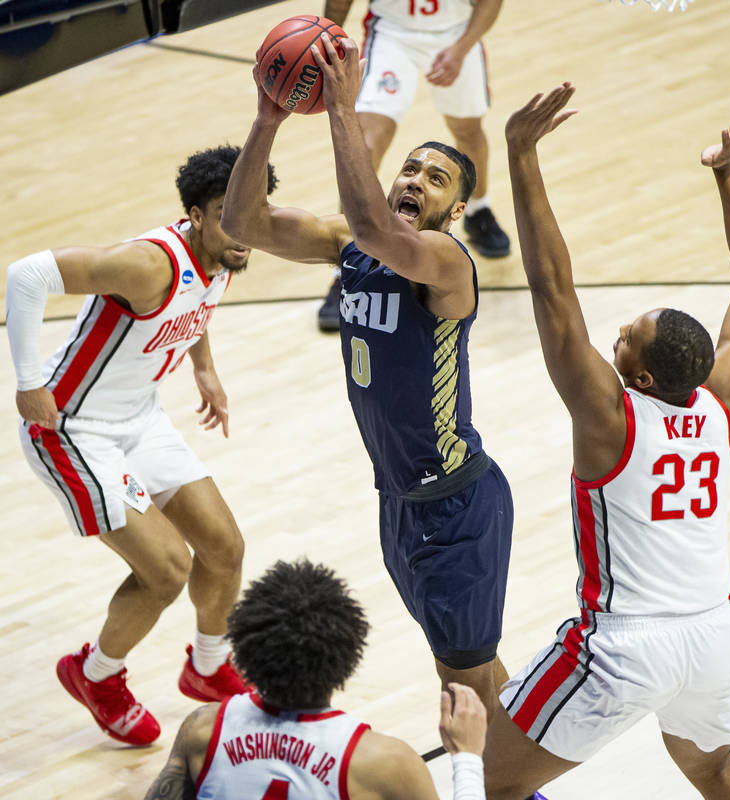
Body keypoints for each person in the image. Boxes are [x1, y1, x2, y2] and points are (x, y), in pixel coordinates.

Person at [482, 84, 730, 799]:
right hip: (711, 631)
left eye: (625, 339)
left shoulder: (608, 417)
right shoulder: (717, 403)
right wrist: (727, 173)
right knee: (711, 767)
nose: (613, 334)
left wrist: (521, 155)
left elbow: (553, 288)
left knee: (488, 780)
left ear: (640, 374)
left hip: (625, 644)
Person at [221, 37, 514, 720]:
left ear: (456, 212)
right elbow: (242, 222)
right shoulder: (349, 246)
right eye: (410, 168)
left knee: (459, 687)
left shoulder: (446, 263)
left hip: (454, 506)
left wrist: (340, 111)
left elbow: (376, 229)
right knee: (470, 667)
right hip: (399, 501)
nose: (414, 180)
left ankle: (505, 786)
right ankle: (517, 777)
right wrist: (268, 119)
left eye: (435, 180)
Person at [4, 145, 278, 746]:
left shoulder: (228, 251)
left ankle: (207, 669)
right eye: (226, 215)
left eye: (252, 212)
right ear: (195, 215)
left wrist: (203, 366)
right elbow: (26, 275)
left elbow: (198, 306)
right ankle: (95, 675)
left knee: (224, 548)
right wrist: (28, 383)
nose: (243, 231)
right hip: (71, 428)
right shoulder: (148, 265)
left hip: (139, 418)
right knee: (167, 570)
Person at [144, 559, 489, 799]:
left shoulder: (203, 729)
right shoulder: (384, 762)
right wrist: (467, 756)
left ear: (245, 649)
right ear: (347, 657)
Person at [315, 0, 510, 332]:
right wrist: (322, 46)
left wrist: (462, 48)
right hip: (393, 33)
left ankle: (478, 210)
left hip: (456, 32)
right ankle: (347, 266)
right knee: (365, 145)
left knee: (468, 130)